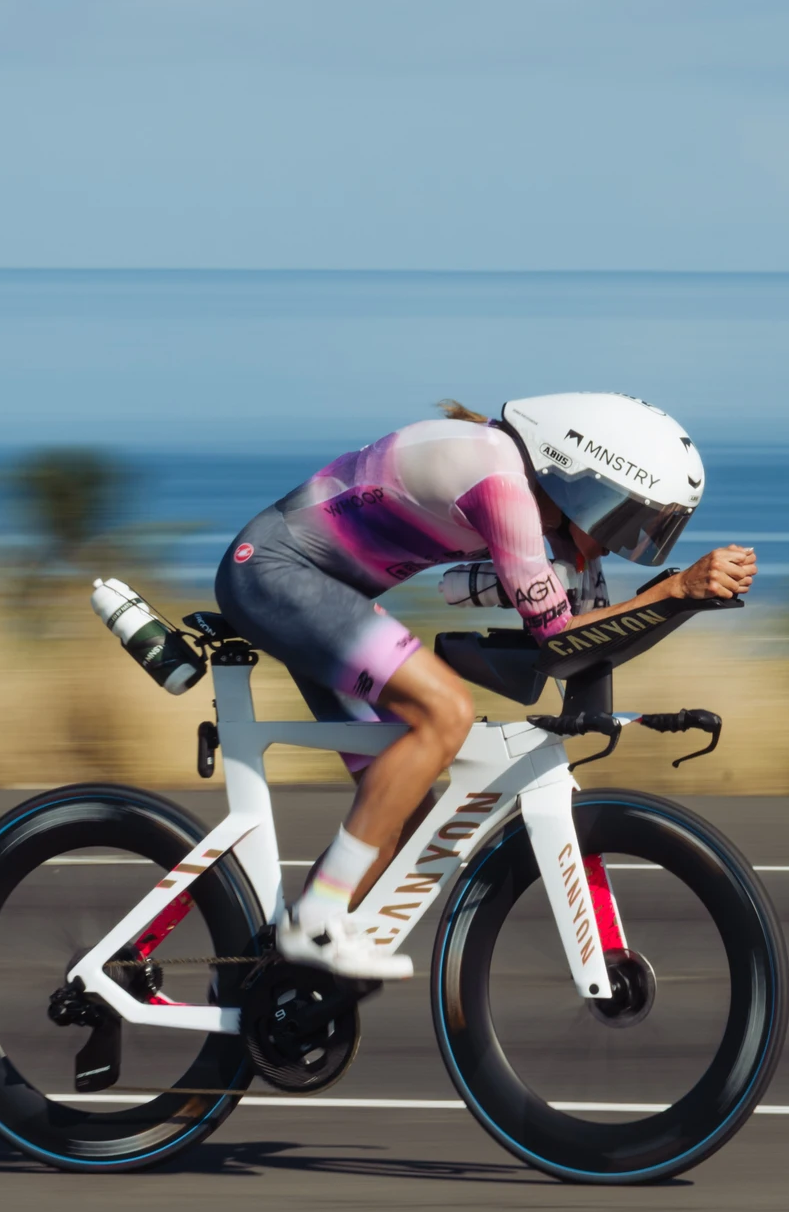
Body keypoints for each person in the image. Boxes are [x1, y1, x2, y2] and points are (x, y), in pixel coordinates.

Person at [214, 392, 756, 979]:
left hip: (316, 591)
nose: (610, 546)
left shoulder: (521, 485)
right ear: (578, 480)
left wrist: (669, 599)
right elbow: (559, 638)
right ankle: (316, 920)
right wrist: (673, 592)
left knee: (402, 811)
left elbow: (587, 636)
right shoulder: (502, 484)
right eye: (619, 519)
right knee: (446, 713)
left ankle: (274, 982)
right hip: (274, 574)